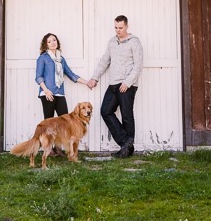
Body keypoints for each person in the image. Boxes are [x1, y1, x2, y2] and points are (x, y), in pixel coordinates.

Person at [88, 15, 143, 158]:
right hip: (113, 83)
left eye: (121, 28)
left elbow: (138, 65)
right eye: (116, 28)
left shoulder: (134, 42)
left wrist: (127, 82)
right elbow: (104, 61)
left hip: (127, 84)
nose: (118, 30)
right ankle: (126, 141)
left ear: (127, 26)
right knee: (105, 111)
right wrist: (95, 77)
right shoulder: (112, 42)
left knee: (127, 116)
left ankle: (126, 151)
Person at [36, 32, 90, 120]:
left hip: (60, 93)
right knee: (49, 122)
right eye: (49, 42)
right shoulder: (43, 58)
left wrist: (87, 82)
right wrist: (46, 91)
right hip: (48, 93)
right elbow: (38, 77)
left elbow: (71, 74)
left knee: (66, 121)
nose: (53, 42)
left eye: (54, 40)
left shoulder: (61, 59)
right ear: (46, 45)